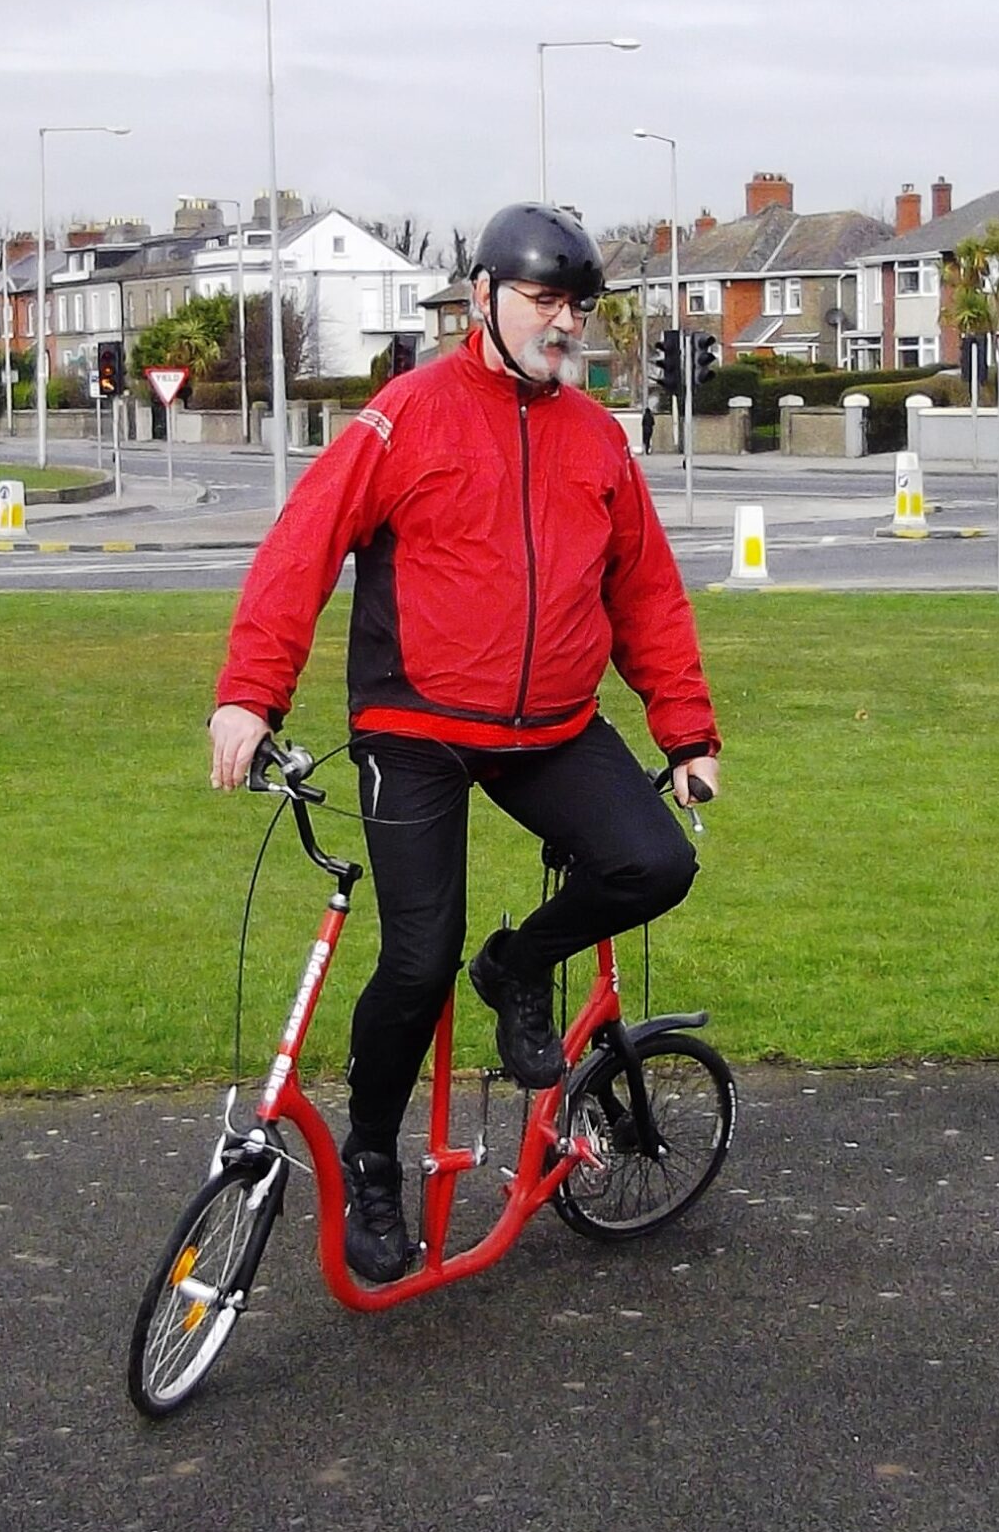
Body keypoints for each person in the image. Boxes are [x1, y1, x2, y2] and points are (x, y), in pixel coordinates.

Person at [207, 202, 723, 1286]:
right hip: (416, 726)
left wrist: (685, 732)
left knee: (655, 861)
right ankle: (371, 1162)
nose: (563, 322)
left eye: (575, 305)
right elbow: (301, 548)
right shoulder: (407, 416)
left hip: (551, 725)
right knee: (415, 954)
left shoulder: (597, 438)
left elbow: (646, 591)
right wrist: (250, 694)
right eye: (542, 299)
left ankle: (518, 965)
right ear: (482, 296)